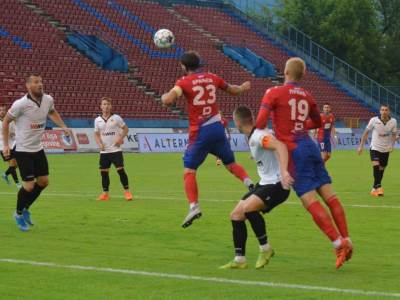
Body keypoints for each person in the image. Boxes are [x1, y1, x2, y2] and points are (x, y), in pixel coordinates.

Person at [255, 57, 352, 269]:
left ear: (285, 72)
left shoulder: (273, 92)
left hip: (295, 151)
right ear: (302, 75)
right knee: (330, 195)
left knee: (309, 200)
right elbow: (317, 123)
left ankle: (338, 243)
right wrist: (299, 124)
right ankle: (347, 239)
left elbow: (260, 123)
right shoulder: (307, 95)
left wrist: (281, 126)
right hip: (311, 147)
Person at [162, 51, 254, 228]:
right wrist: (243, 87)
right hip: (217, 128)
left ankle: (194, 206)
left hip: (200, 132)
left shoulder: (183, 82)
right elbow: (233, 90)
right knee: (229, 163)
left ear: (183, 66)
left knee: (189, 170)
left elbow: (170, 98)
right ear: (199, 64)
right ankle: (250, 183)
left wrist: (165, 97)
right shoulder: (212, 77)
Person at [220, 106, 293, 269]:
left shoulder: (259, 136)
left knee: (248, 208)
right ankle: (240, 259)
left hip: (277, 184)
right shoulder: (254, 135)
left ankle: (265, 249)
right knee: (236, 215)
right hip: (264, 183)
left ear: (237, 123)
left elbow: (280, 146)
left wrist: (284, 171)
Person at [1, 74, 70, 231]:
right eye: (36, 82)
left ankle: (25, 209)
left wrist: (63, 126)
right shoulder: (20, 104)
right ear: (28, 86)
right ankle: (18, 214)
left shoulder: (48, 99)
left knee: (44, 182)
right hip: (23, 150)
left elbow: (52, 112)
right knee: (29, 186)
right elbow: (6, 121)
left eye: (41, 82)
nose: (40, 84)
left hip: (38, 148)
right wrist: (6, 145)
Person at [94, 97, 133, 201]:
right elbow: (96, 134)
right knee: (104, 173)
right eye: (104, 104)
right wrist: (99, 143)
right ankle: (105, 194)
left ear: (111, 106)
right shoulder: (97, 120)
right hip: (104, 152)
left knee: (120, 171)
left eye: (108, 104)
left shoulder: (116, 118)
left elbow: (126, 129)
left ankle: (127, 192)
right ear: (101, 106)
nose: (106, 106)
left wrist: (120, 139)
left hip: (116, 150)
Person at [357, 105, 397, 197]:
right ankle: (379, 187)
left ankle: (374, 188)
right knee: (376, 165)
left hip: (386, 149)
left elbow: (394, 134)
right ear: (379, 111)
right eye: (382, 110)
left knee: (381, 169)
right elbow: (366, 133)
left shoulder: (393, 121)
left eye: (386, 110)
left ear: (389, 111)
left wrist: (392, 145)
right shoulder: (374, 120)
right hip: (375, 147)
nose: (384, 111)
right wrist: (361, 146)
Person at [0, 105, 21, 188]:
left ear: (6, 111)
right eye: (0, 110)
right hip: (3, 146)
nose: (1, 111)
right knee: (12, 164)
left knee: (16, 164)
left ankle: (5, 174)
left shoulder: (10, 121)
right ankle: (18, 184)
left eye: (3, 110)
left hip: (13, 144)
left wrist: (14, 134)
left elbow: (14, 131)